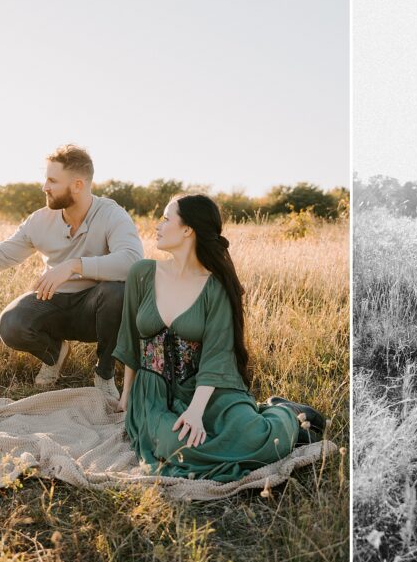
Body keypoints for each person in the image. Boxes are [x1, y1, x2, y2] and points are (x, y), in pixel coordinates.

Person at [113, 194, 326, 483]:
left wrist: (196, 411)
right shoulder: (143, 273)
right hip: (154, 394)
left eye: (165, 218)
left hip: (208, 387)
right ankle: (266, 416)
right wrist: (127, 395)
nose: (158, 226)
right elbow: (129, 337)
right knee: (180, 451)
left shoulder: (215, 287)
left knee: (251, 436)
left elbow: (217, 354)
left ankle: (286, 415)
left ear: (188, 229)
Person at [0, 145, 142, 396]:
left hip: (95, 308)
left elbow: (133, 261)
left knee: (117, 293)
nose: (44, 186)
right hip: (53, 300)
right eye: (46, 179)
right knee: (10, 325)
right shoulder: (40, 220)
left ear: (77, 185)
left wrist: (74, 266)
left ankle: (104, 373)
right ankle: (55, 354)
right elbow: (2, 254)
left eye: (52, 180)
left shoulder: (112, 215)